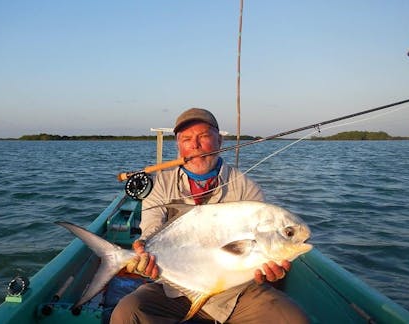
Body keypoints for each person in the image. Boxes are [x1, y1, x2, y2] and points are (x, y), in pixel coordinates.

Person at [110, 108, 308, 324]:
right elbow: (150, 231)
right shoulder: (161, 184)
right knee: (126, 313)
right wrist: (142, 252)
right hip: (175, 288)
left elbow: (251, 262)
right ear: (179, 145)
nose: (195, 145)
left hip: (234, 293)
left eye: (204, 137)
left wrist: (268, 272)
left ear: (220, 141)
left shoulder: (247, 188)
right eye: (186, 139)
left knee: (292, 319)